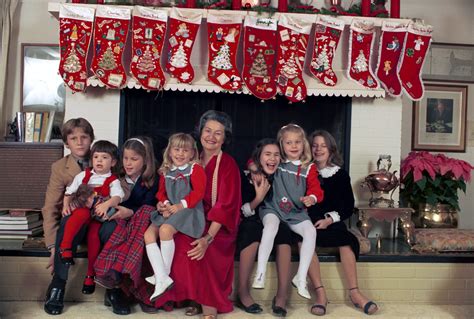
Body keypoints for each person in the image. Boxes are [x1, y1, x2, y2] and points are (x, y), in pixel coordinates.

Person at [43, 119, 129, 316]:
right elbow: (50, 206)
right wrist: (52, 245)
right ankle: (58, 285)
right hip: (74, 226)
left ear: (91, 139)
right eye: (74, 138)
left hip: (99, 221)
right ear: (66, 143)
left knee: (114, 227)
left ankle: (113, 288)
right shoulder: (59, 167)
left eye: (84, 137)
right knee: (68, 216)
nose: (80, 142)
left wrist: (110, 202)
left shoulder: (106, 156)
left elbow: (124, 190)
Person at [306, 130, 378, 316]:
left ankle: (355, 293)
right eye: (315, 145)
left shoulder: (340, 175)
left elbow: (347, 206)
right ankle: (320, 294)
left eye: (323, 145)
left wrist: (329, 220)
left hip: (331, 220)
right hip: (308, 222)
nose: (319, 149)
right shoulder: (304, 171)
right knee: (303, 239)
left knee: (346, 240)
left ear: (331, 149)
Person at [252, 124, 324, 300]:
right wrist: (254, 168)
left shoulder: (309, 168)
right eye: (289, 142)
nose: (294, 146)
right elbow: (255, 160)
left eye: (297, 142)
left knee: (310, 231)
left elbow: (317, 190)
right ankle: (260, 272)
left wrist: (312, 198)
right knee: (270, 226)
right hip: (273, 208)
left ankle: (300, 277)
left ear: (304, 144)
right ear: (281, 145)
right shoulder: (278, 162)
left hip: (296, 212)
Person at [93, 136, 159, 313]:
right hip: (121, 220)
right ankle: (118, 288)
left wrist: (130, 212)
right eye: (125, 158)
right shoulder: (116, 178)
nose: (128, 163)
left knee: (145, 215)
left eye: (134, 159)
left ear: (146, 160)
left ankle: (142, 291)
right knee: (120, 229)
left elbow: (152, 205)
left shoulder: (154, 180)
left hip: (143, 221)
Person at [144, 133, 206, 301]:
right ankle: (161, 275)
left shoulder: (195, 169)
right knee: (148, 234)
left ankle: (163, 275)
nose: (180, 154)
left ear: (192, 153)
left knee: (165, 230)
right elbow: (161, 192)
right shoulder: (166, 171)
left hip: (188, 210)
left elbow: (199, 192)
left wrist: (180, 205)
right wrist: (163, 203)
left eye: (185, 150)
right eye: (176, 149)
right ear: (169, 151)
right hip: (170, 209)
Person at [58, 140, 124, 294]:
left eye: (104, 157)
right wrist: (65, 205)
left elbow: (117, 198)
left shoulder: (113, 180)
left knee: (94, 237)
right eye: (96, 157)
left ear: (113, 162)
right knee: (80, 213)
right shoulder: (84, 175)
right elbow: (69, 192)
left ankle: (90, 274)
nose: (99, 161)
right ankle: (65, 247)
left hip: (98, 217)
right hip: (84, 212)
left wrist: (106, 205)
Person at [236, 138, 292, 316]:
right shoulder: (247, 176)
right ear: (258, 157)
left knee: (284, 237)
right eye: (268, 154)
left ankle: (282, 296)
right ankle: (243, 292)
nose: (273, 159)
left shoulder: (283, 176)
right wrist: (258, 197)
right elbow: (243, 211)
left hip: (276, 220)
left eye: (276, 155)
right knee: (251, 233)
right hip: (252, 218)